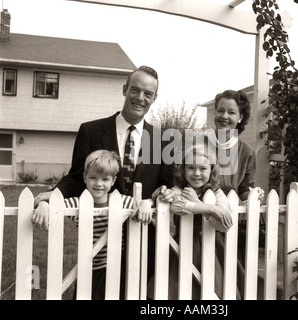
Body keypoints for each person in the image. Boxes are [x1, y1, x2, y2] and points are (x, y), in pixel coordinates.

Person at [33, 65, 174, 298]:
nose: (140, 98)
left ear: (154, 98)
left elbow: (166, 185)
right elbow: (77, 177)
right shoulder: (92, 130)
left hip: (145, 239)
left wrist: (154, 199)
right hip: (100, 243)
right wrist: (53, 195)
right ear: (124, 89)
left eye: (148, 94)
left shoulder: (162, 140)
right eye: (135, 90)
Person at [32, 149, 134, 299]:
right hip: (89, 267)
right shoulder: (77, 204)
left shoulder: (122, 201)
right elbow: (55, 204)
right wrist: (44, 205)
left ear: (113, 181)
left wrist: (144, 204)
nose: (99, 184)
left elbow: (142, 205)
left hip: (118, 267)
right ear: (85, 178)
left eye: (105, 179)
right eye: (93, 178)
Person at [151, 142, 234, 299]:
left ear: (211, 170)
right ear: (183, 170)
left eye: (203, 168)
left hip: (212, 246)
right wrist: (211, 209)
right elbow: (177, 206)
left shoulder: (216, 193)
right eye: (191, 168)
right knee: (181, 288)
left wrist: (198, 203)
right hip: (183, 245)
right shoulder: (178, 190)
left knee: (212, 288)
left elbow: (224, 224)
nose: (196, 173)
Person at [210, 89, 258, 299]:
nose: (224, 117)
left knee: (227, 286)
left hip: (228, 225)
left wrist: (254, 198)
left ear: (240, 118)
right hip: (197, 223)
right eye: (220, 110)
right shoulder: (199, 143)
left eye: (231, 112)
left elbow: (245, 188)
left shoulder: (246, 152)